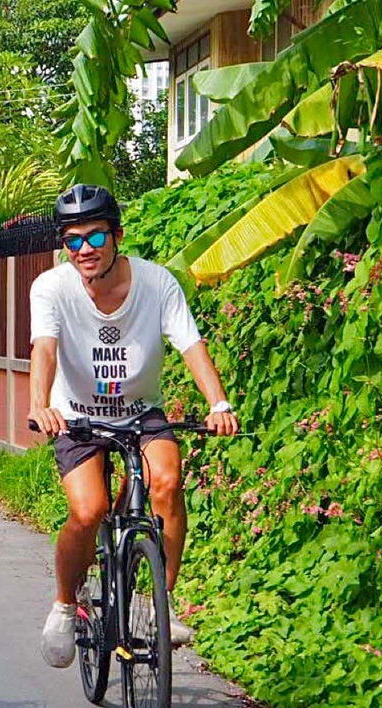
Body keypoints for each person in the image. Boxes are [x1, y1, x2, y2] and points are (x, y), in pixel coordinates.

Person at [28, 184, 240, 669]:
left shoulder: (156, 282)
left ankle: (157, 604)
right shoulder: (51, 286)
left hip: (141, 413)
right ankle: (65, 603)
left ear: (117, 236)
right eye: (73, 239)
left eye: (96, 237)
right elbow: (44, 347)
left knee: (166, 481)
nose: (85, 249)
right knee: (89, 510)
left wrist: (219, 402)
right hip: (76, 415)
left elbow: (190, 344)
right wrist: (40, 404)